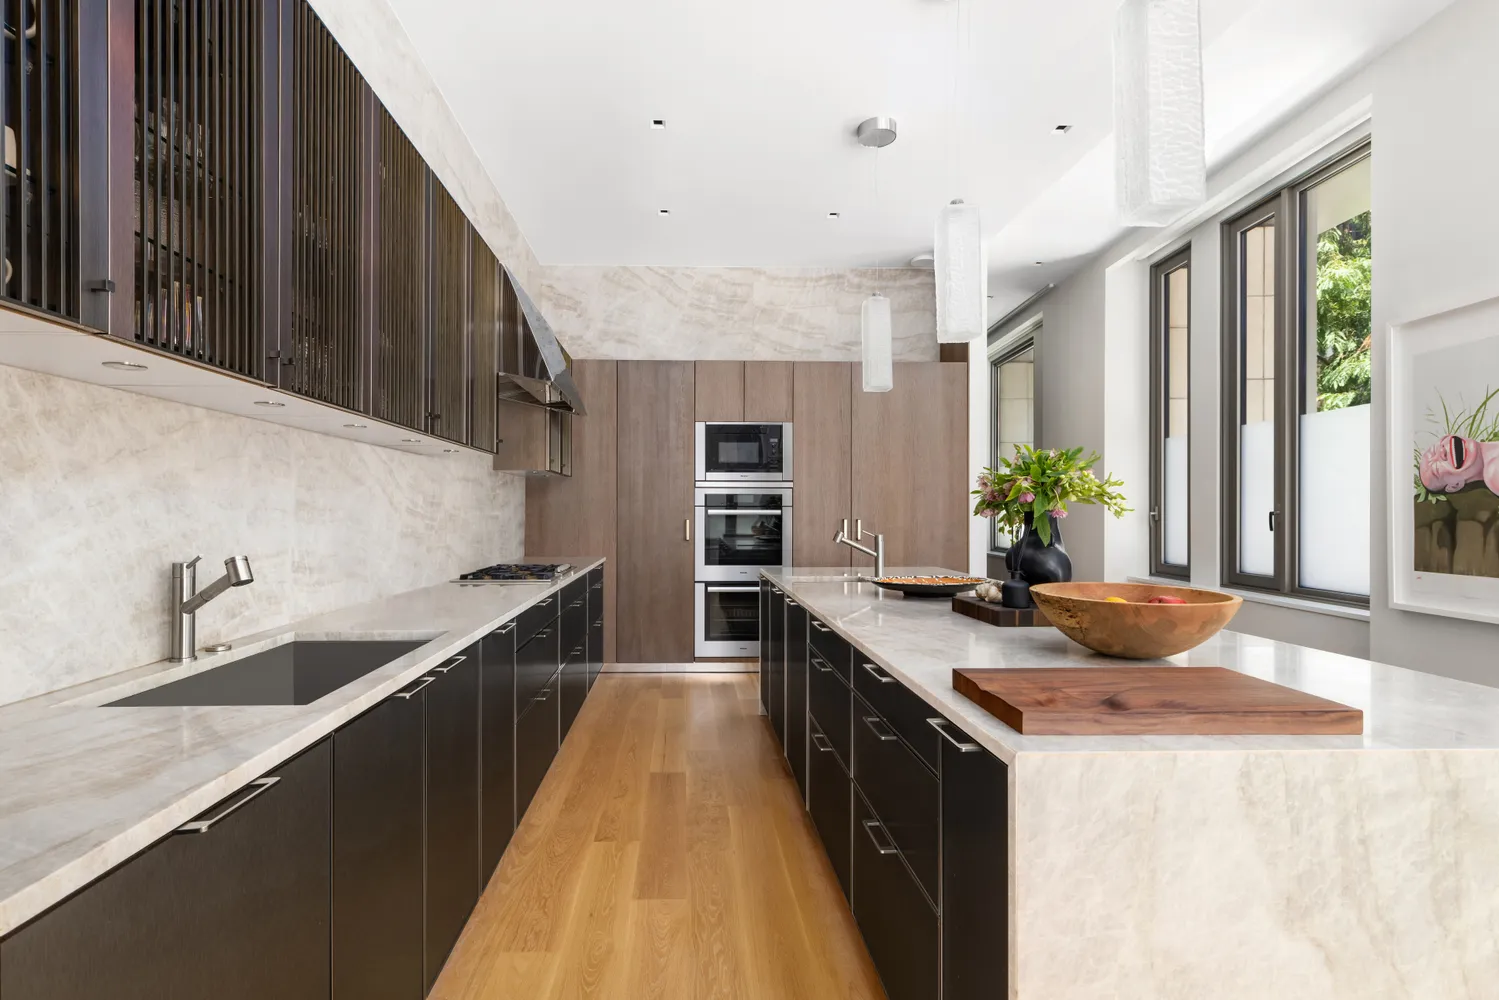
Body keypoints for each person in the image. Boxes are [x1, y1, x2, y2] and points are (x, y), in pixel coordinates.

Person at [1418, 434, 1499, 496]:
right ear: (1455, 486)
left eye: (1434, 450)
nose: (1442, 451)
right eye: (1437, 469)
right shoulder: (1494, 474)